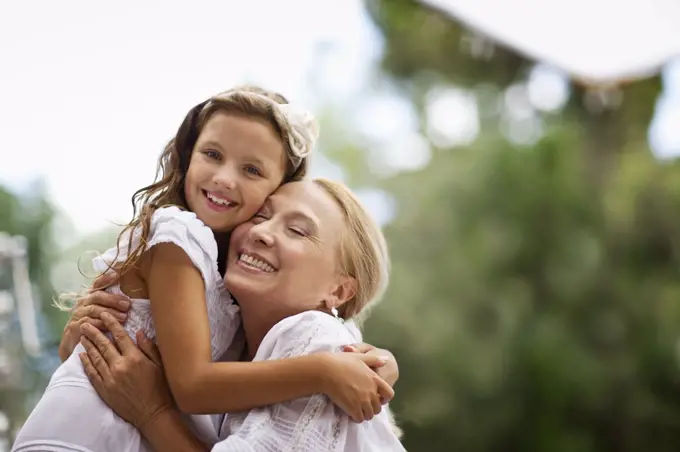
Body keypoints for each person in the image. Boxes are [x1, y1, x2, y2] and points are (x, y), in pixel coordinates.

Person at [12, 87, 396, 452]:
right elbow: (193, 385)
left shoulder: (252, 304)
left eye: (252, 170)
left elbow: (340, 347)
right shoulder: (179, 235)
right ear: (188, 154)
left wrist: (379, 366)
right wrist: (323, 370)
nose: (225, 179)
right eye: (212, 154)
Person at [79, 179, 406, 451]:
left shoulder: (317, 338)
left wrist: (152, 412)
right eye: (261, 215)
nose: (262, 232)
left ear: (338, 291)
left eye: (297, 230)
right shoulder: (233, 350)